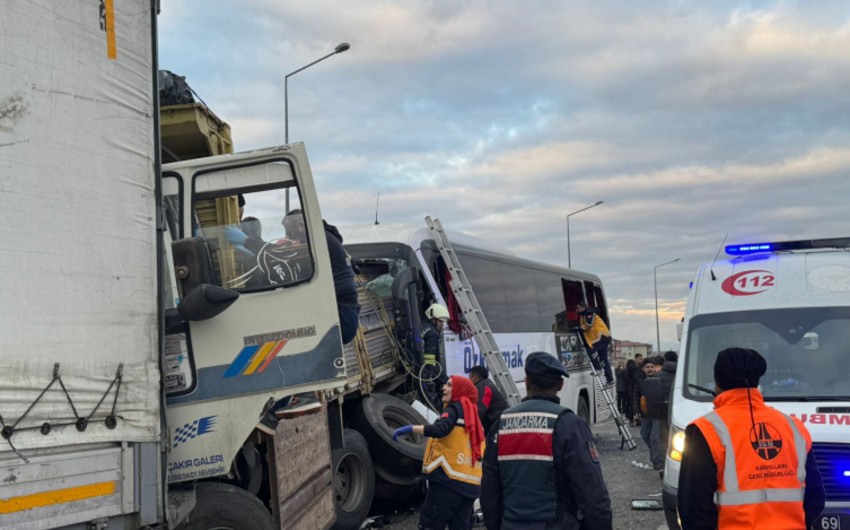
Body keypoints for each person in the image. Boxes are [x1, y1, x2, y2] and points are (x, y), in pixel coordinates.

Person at [678, 348, 825, 530]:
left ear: (718, 381)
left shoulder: (705, 430)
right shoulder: (793, 426)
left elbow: (693, 507)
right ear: (757, 380)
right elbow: (815, 496)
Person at [481, 351, 613, 530]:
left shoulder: (500, 424)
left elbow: (489, 491)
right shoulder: (569, 425)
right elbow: (592, 492)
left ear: (526, 382)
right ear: (560, 384)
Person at [392, 375, 485, 530]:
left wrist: (410, 428)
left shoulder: (454, 409)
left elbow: (439, 429)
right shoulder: (473, 417)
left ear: (459, 390)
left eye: (449, 385)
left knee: (429, 524)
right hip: (470, 486)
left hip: (448, 481)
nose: (444, 388)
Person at [637, 356, 665, 470]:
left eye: (652, 367)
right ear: (643, 369)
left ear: (655, 368)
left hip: (658, 413)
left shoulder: (660, 380)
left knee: (655, 437)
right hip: (645, 413)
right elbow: (635, 396)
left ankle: (657, 460)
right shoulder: (640, 381)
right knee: (644, 434)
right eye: (647, 367)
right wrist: (636, 411)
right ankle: (657, 453)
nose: (650, 369)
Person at [575, 302, 614, 384]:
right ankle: (609, 379)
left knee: (590, 350)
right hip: (603, 337)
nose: (576, 310)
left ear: (583, 307)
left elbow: (589, 324)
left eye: (577, 308)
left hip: (601, 336)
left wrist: (579, 328)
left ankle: (598, 369)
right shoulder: (583, 315)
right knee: (603, 358)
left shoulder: (589, 312)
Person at [421, 303, 450, 410]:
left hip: (418, 367)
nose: (443, 324)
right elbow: (430, 361)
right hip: (427, 369)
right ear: (433, 319)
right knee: (448, 384)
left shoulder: (422, 326)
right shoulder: (432, 333)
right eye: (441, 321)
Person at [468, 365, 509, 435]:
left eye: (469, 376)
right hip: (497, 418)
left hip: (495, 420)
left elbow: (480, 410)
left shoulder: (484, 387)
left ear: (474, 377)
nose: (468, 379)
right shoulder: (486, 383)